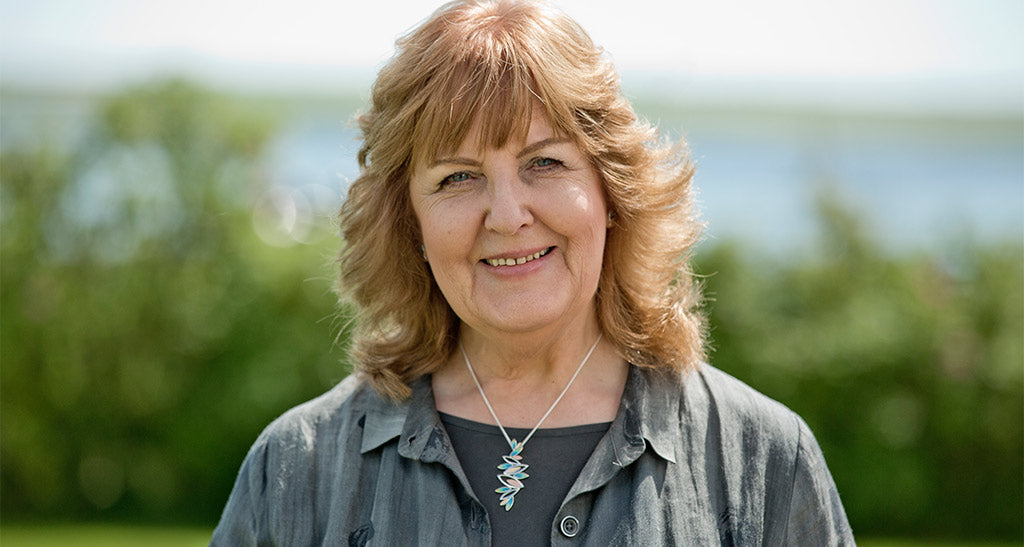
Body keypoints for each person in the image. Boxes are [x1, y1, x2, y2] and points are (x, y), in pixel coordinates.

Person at [211, 0, 854, 544]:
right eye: (458, 177)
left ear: (611, 194)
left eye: (544, 163)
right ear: (410, 224)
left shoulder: (763, 462)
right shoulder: (297, 469)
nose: (507, 215)